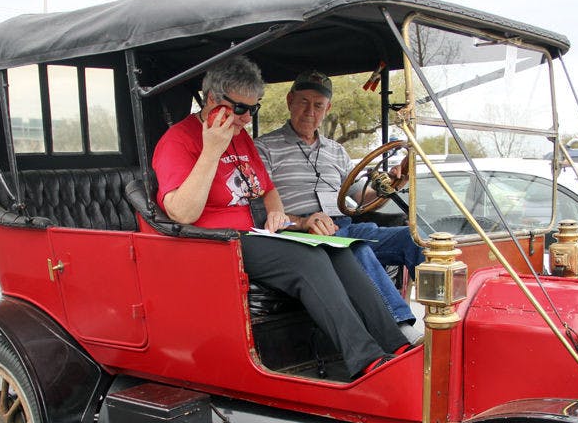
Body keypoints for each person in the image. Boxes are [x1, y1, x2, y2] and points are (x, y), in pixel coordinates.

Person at [151, 56, 408, 379]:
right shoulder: (179, 140)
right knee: (309, 259)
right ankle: (366, 359)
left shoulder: (239, 135)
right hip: (212, 245)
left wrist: (275, 212)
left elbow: (267, 188)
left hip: (253, 235)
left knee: (338, 249)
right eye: (240, 109)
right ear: (213, 100)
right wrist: (211, 150)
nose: (246, 119)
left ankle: (397, 346)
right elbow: (181, 212)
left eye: (253, 109)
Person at [254, 70, 425, 343]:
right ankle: (401, 330)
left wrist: (391, 182)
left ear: (327, 109)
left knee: (415, 238)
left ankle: (445, 320)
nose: (310, 111)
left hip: (343, 226)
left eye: (318, 105)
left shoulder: (336, 150)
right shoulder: (263, 148)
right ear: (289, 101)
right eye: (303, 102)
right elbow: (262, 212)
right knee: (354, 246)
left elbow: (360, 197)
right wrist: (303, 221)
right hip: (301, 236)